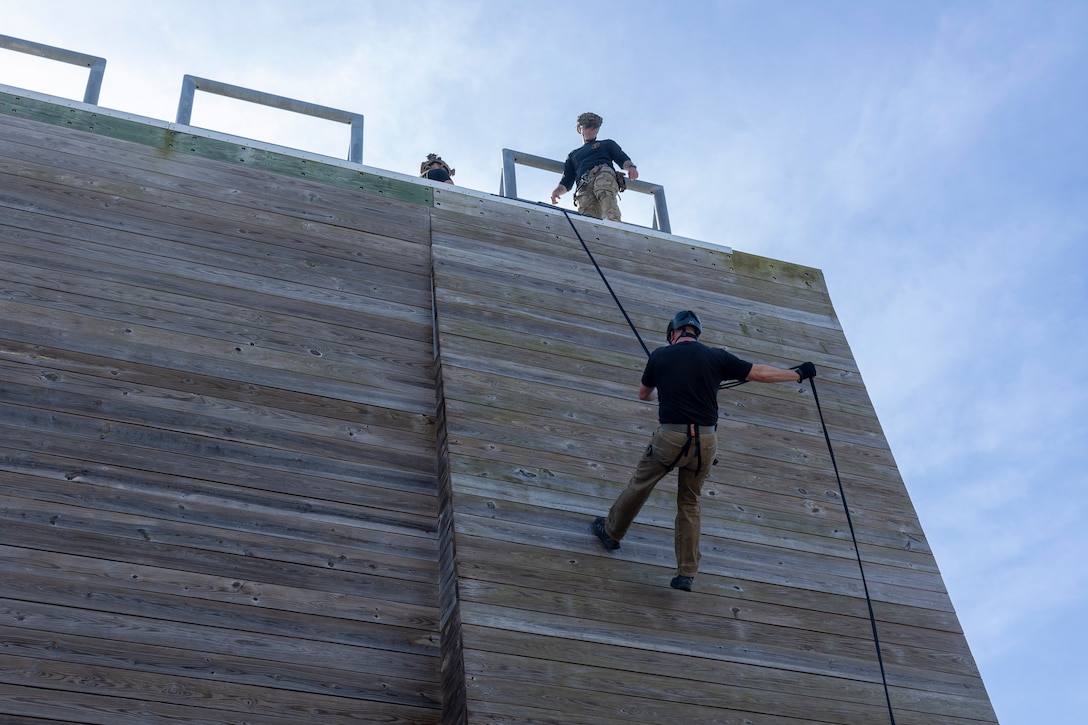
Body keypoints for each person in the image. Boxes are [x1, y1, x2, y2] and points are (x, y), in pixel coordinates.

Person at [593, 310, 817, 592]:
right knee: (689, 502)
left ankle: (612, 533)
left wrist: (663, 389)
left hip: (670, 438)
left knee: (640, 485)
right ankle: (686, 573)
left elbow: (643, 395)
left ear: (672, 334)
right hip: (705, 443)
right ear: (696, 333)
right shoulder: (716, 357)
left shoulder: (659, 356)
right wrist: (796, 374)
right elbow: (758, 372)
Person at [550, 112, 637, 222]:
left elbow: (622, 158)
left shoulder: (606, 144)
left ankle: (612, 220)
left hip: (602, 172)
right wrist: (556, 192)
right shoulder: (573, 155)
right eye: (587, 127)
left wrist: (631, 167)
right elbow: (567, 180)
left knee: (604, 191)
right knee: (587, 210)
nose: (591, 130)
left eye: (595, 127)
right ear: (579, 128)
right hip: (584, 183)